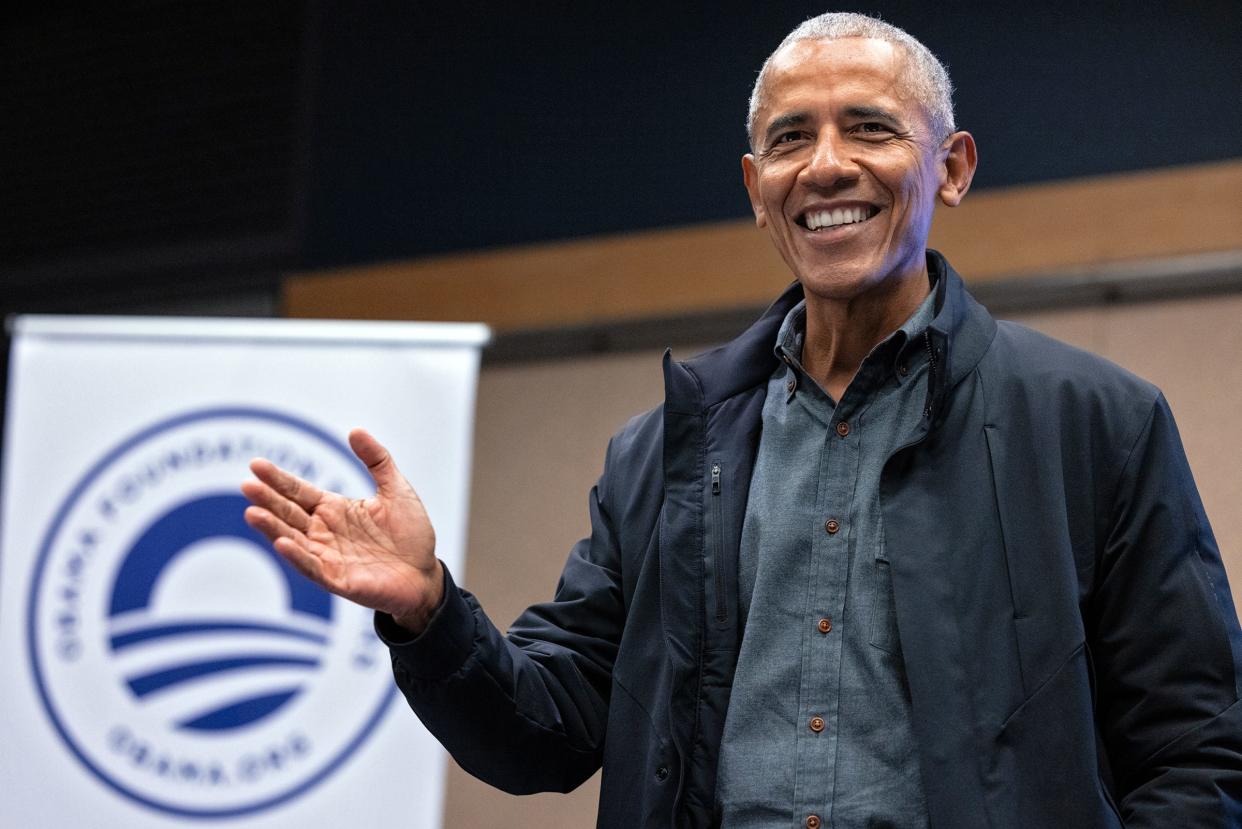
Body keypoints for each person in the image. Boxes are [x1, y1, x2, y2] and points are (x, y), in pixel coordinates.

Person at [240, 12, 1242, 829]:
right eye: (789, 139)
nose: (826, 165)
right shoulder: (667, 451)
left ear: (952, 167)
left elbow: (1201, 751)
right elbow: (545, 734)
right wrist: (426, 612)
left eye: (872, 128)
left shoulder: (1093, 423)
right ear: (756, 190)